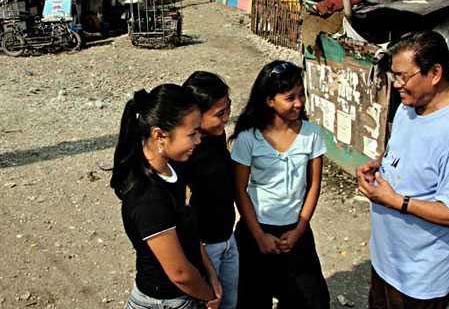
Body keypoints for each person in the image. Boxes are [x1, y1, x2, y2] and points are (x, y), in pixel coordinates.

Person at [356, 31, 449, 309]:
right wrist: (381, 164)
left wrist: (397, 202)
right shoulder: (409, 107)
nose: (396, 85)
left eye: (403, 76)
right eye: (394, 75)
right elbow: (407, 154)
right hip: (385, 260)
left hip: (419, 280)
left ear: (435, 73)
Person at [110, 84, 222, 309]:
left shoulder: (174, 169)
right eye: (192, 134)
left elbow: (189, 232)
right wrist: (209, 295)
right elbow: (179, 273)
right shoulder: (148, 197)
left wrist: (211, 275)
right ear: (160, 135)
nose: (198, 140)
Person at [230, 60, 330, 309]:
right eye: (290, 97)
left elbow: (314, 184)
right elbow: (239, 189)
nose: (299, 103)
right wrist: (259, 235)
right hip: (256, 232)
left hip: (295, 233)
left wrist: (299, 229)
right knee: (251, 300)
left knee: (310, 299)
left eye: (301, 95)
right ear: (269, 100)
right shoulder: (248, 138)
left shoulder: (311, 134)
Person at [172, 71, 238, 309]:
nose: (227, 118)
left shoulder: (216, 136)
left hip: (227, 239)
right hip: (204, 248)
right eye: (220, 114)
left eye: (228, 109)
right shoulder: (185, 152)